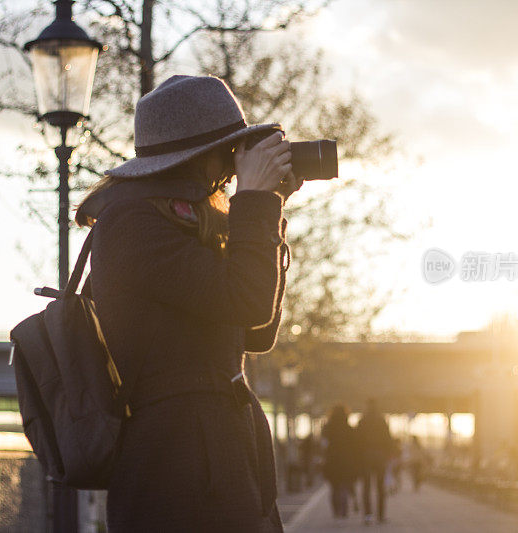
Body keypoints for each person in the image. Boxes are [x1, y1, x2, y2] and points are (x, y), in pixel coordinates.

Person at [75, 75, 302, 532]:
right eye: (231, 150)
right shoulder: (132, 223)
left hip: (216, 454)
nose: (235, 165)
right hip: (177, 462)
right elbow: (248, 302)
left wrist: (268, 208)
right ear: (198, 158)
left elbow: (256, 332)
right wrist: (255, 203)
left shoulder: (186, 220)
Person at [355, 398, 393, 524]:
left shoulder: (362, 421)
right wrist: (388, 454)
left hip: (366, 456)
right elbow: (388, 439)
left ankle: (367, 515)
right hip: (380, 456)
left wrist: (359, 457)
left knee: (366, 487)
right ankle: (381, 515)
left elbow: (357, 441)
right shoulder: (381, 420)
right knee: (380, 487)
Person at [321, 404, 359, 519]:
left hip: (332, 460)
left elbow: (324, 444)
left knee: (334, 487)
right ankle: (344, 508)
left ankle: (336, 510)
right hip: (346, 461)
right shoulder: (349, 428)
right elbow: (354, 446)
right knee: (344, 485)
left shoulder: (327, 427)